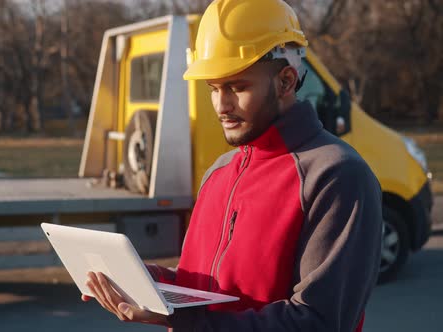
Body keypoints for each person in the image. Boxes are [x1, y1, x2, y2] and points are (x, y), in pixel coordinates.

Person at [83, 0, 383, 330]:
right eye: (213, 88)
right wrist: (139, 281)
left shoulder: (336, 175)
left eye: (237, 87)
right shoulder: (219, 172)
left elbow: (318, 321)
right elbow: (201, 291)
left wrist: (185, 320)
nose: (222, 105)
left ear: (285, 81)